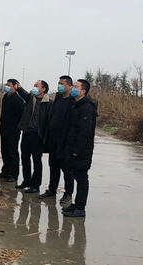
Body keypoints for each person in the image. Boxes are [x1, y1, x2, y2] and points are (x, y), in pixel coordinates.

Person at [62, 79, 97, 217]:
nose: (73, 88)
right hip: (72, 147)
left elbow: (85, 132)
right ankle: (76, 204)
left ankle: (80, 208)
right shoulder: (76, 104)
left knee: (82, 178)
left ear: (83, 91)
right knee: (76, 175)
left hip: (82, 150)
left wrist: (77, 150)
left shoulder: (87, 108)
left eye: (76, 87)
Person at [39, 75, 76, 203]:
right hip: (53, 138)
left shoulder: (73, 100)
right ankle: (52, 189)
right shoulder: (58, 97)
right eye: (59, 83)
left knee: (66, 168)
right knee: (53, 165)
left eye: (62, 83)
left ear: (69, 86)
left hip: (65, 140)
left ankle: (68, 193)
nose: (59, 85)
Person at [15, 80, 53, 193]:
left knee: (37, 161)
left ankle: (35, 185)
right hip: (27, 133)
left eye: (37, 86)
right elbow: (24, 94)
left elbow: (48, 122)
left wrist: (45, 138)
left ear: (43, 89)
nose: (34, 87)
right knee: (25, 158)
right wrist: (19, 88)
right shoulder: (31, 98)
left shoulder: (49, 103)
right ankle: (26, 181)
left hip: (38, 135)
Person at [0, 79, 26, 182]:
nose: (6, 86)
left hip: (13, 131)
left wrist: (17, 126)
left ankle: (14, 174)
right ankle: (5, 171)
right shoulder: (5, 97)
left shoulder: (18, 100)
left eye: (9, 85)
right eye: (6, 84)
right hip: (4, 129)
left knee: (12, 152)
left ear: (14, 87)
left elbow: (21, 116)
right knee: (5, 152)